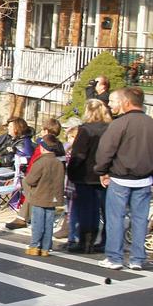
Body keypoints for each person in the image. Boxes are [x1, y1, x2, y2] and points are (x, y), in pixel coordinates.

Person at [93, 87, 153, 270]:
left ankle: (115, 257)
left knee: (115, 219)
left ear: (126, 102)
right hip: (144, 179)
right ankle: (137, 258)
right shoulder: (150, 123)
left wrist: (102, 171)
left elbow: (106, 150)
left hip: (120, 178)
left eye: (114, 101)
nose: (111, 105)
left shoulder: (119, 124)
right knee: (140, 220)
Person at [64, 100, 112, 253]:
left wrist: (71, 171)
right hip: (104, 173)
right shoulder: (110, 128)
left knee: (86, 210)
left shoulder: (85, 130)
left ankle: (85, 242)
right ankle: (103, 241)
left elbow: (79, 154)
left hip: (85, 175)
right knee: (102, 210)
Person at [6, 118, 60, 229]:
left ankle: (23, 218)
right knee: (29, 187)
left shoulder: (45, 145)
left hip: (44, 178)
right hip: (41, 176)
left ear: (45, 131)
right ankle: (25, 216)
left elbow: (39, 162)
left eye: (43, 130)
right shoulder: (57, 144)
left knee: (31, 190)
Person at [23, 135, 66, 257]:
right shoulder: (59, 162)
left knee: (37, 223)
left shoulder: (40, 162)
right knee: (49, 224)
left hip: (39, 196)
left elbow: (31, 180)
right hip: (53, 198)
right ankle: (46, 247)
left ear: (42, 148)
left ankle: (34, 245)